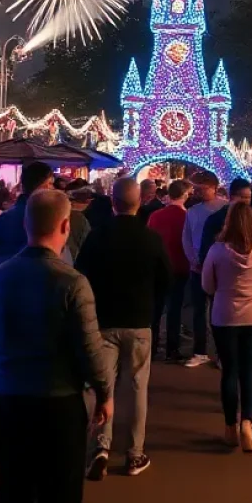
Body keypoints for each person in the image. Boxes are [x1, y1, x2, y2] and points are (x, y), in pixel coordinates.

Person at [0, 190, 112, 503]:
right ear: (65, 226)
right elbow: (90, 348)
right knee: (60, 499)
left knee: (14, 492)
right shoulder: (73, 282)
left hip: (12, 398)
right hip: (60, 402)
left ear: (25, 224)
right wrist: (104, 393)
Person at [75, 178, 170, 480]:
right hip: (139, 320)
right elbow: (165, 279)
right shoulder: (151, 238)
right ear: (139, 200)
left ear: (112, 202)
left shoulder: (96, 237)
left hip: (104, 321)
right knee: (138, 387)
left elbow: (81, 276)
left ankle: (100, 447)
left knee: (104, 386)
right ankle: (134, 452)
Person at [201, 203, 252, 452]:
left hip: (225, 316)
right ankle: (248, 423)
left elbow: (207, 286)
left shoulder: (217, 250)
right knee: (249, 372)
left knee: (229, 372)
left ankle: (229, 426)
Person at [181, 170, 226, 367]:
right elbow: (187, 238)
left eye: (203, 188)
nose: (199, 192)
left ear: (214, 188)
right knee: (199, 311)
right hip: (197, 267)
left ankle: (222, 352)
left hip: (220, 268)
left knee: (219, 312)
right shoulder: (192, 211)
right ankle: (200, 350)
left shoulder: (225, 208)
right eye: (196, 189)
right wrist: (193, 259)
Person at [0, 162, 54, 277]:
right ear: (45, 187)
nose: (52, 189)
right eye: (50, 184)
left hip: (2, 288)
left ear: (22, 186)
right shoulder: (54, 220)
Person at [148, 179, 192, 362]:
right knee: (174, 309)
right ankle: (172, 348)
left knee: (156, 309)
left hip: (158, 267)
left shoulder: (156, 216)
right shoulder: (187, 217)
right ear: (185, 195)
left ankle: (152, 345)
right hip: (180, 267)